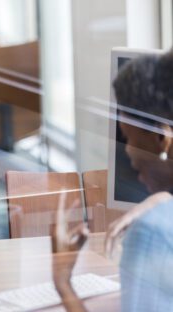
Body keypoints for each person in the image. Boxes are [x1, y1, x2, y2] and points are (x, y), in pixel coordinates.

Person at [52, 52, 173, 311]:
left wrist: (63, 280)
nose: (127, 150)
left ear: (162, 138)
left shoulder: (153, 233)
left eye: (128, 137)